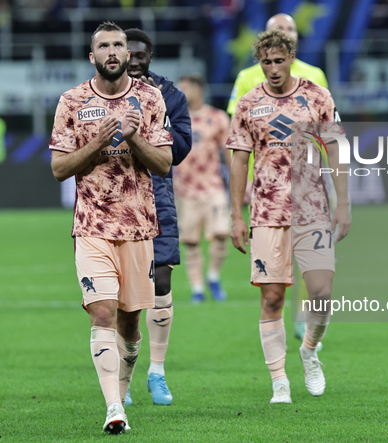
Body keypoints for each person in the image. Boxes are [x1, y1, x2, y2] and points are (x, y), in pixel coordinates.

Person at [49, 21, 173, 434]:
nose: (113, 51)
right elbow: (59, 169)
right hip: (91, 226)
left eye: (119, 44)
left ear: (127, 52)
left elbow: (164, 164)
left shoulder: (150, 98)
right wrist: (97, 145)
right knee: (101, 312)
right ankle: (114, 408)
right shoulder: (72, 101)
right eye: (104, 45)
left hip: (139, 227)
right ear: (93, 56)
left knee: (130, 323)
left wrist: (134, 139)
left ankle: (125, 383)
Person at [227, 29, 351, 404]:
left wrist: (343, 202)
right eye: (266, 62)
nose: (274, 68)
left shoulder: (317, 96)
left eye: (280, 61)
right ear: (259, 63)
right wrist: (236, 215)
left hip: (312, 208)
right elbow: (238, 160)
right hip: (266, 212)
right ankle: (279, 380)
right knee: (272, 298)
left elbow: (335, 148)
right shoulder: (248, 104)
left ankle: (310, 350)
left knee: (322, 294)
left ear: (291, 58)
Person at [227, 12, 330, 344]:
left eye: (290, 29)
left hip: (309, 188)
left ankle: (305, 324)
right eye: (278, 29)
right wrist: (240, 192)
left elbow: (327, 131)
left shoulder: (315, 78)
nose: (285, 33)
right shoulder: (247, 80)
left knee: (316, 279)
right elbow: (238, 139)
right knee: (273, 288)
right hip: (267, 193)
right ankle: (280, 374)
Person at [123, 27, 192, 406]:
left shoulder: (170, 95)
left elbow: (180, 149)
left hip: (157, 195)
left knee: (161, 280)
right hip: (114, 202)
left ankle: (157, 372)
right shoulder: (97, 94)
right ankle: (124, 374)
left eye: (139, 53)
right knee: (123, 294)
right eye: (126, 51)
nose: (133, 58)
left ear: (150, 56)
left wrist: (154, 119)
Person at [174, 74, 232, 303]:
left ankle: (213, 276)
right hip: (185, 190)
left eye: (185, 88)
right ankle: (197, 288)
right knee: (191, 241)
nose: (181, 92)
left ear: (198, 90)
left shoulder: (216, 118)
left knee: (220, 234)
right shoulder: (175, 118)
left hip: (213, 186)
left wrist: (242, 183)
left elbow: (228, 152)